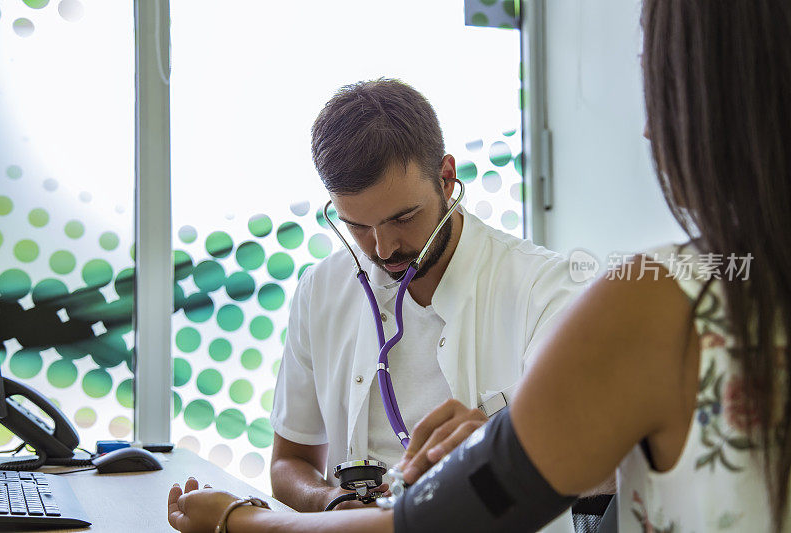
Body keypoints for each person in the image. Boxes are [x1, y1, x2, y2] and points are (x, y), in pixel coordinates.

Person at [168, 0, 791, 531]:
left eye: (658, 84)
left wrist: (233, 518)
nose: (652, 130)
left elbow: (438, 522)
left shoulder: (653, 299)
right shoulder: (322, 290)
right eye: (359, 226)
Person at [268, 78, 582, 513]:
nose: (383, 249)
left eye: (404, 217)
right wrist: (336, 504)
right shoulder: (320, 290)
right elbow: (290, 462)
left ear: (447, 178)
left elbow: (600, 462)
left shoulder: (544, 288)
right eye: (358, 225)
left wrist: (500, 448)